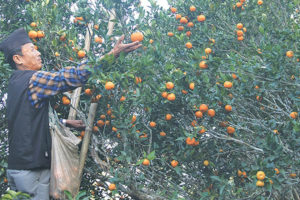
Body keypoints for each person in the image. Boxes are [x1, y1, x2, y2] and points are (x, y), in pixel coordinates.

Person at [0, 28, 141, 200]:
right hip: (32, 170)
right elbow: (70, 77)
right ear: (18, 59)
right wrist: (111, 55)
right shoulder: (33, 79)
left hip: (18, 167)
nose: (38, 53)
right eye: (31, 49)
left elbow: (28, 119)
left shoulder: (15, 82)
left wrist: (65, 122)